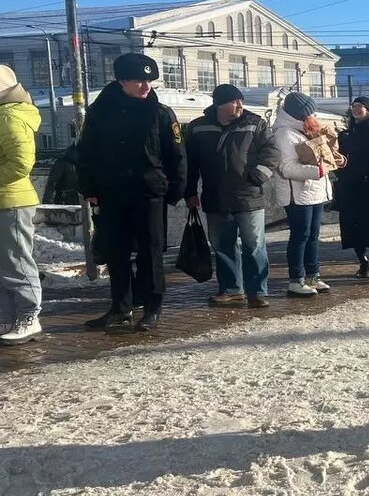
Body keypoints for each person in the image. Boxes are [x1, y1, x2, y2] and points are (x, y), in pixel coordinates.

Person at [78, 53, 186, 331]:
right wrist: (89, 187)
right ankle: (120, 307)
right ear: (122, 81)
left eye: (149, 81)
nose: (146, 87)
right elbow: (86, 152)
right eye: (139, 81)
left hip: (149, 192)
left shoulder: (160, 113)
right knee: (116, 253)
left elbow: (176, 154)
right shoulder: (100, 112)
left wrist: (175, 189)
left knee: (151, 253)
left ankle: (152, 308)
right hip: (112, 192)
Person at [184, 83, 278, 309]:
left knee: (254, 245)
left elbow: (272, 152)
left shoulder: (254, 124)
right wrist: (188, 192)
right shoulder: (198, 127)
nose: (240, 105)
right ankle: (231, 290)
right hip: (215, 197)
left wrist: (257, 176)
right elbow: (188, 162)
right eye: (234, 101)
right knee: (222, 245)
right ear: (219, 104)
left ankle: (258, 292)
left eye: (241, 100)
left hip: (249, 196)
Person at [273, 92, 335, 297]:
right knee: (301, 235)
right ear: (299, 114)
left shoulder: (305, 129)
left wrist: (335, 160)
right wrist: (316, 172)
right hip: (297, 194)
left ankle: (313, 274)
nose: (313, 116)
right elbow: (287, 168)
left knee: (313, 235)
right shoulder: (284, 133)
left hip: (314, 191)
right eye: (309, 113)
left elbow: (321, 156)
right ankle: (296, 279)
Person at [0, 65, 44, 345]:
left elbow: (20, 163)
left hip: (12, 201)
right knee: (5, 264)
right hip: (6, 199)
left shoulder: (9, 117)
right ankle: (8, 317)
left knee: (16, 261)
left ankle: (29, 316)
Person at [339, 96, 369, 277]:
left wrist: (365, 171)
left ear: (368, 109)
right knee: (353, 224)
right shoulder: (348, 131)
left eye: (360, 106)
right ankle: (362, 261)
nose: (356, 109)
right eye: (353, 106)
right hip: (350, 184)